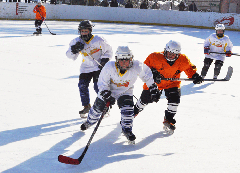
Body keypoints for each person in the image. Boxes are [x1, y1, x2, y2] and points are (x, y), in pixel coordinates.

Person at [80, 46, 159, 143]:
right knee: (98, 108)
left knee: (128, 111)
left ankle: (127, 130)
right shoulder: (109, 66)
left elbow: (148, 76)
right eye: (122, 60)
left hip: (125, 91)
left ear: (131, 59)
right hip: (109, 91)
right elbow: (102, 83)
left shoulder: (137, 65)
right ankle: (89, 121)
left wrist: (153, 87)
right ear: (117, 60)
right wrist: (106, 93)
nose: (125, 63)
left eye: (127, 60)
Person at [134, 40, 203, 134]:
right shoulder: (154, 57)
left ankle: (168, 119)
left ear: (178, 54)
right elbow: (144, 69)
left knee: (175, 101)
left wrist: (194, 75)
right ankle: (134, 111)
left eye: (173, 54)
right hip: (154, 83)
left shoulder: (183, 59)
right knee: (145, 100)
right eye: (169, 53)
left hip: (172, 83)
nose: (170, 56)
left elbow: (189, 68)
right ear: (165, 51)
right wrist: (153, 73)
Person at [66, 20, 113, 118]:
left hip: (98, 67)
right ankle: (86, 106)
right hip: (85, 68)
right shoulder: (77, 41)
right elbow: (69, 55)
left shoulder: (98, 39)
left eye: (86, 31)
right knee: (82, 86)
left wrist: (104, 61)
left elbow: (108, 51)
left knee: (98, 87)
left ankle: (104, 106)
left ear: (90, 31)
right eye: (82, 31)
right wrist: (74, 49)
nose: (83, 33)